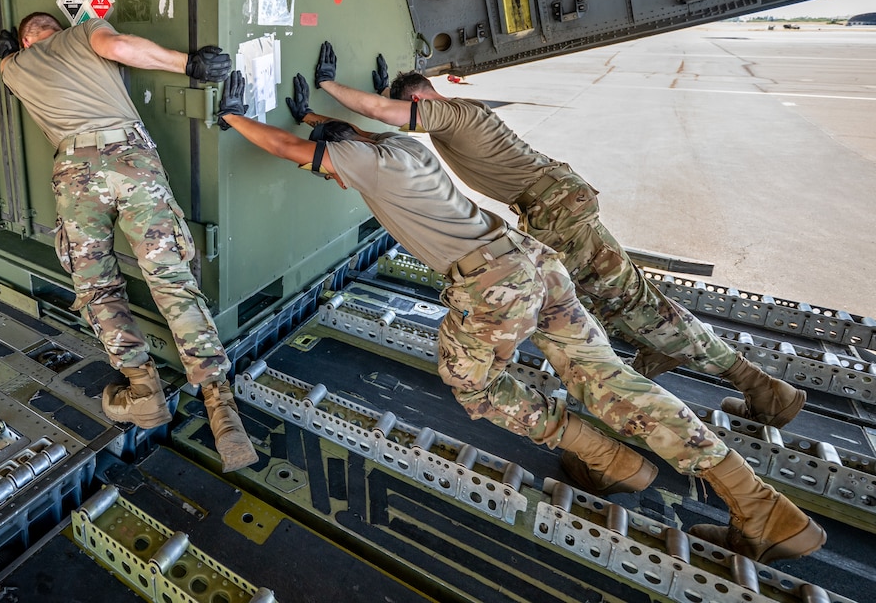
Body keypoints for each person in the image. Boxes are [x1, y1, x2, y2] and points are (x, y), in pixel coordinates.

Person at [216, 69, 825, 563]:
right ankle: (758, 504)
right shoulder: (399, 152)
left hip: (491, 283)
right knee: (607, 379)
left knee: (474, 385)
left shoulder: (374, 160)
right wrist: (319, 117)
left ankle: (606, 456)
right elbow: (349, 137)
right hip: (535, 262)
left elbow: (294, 151)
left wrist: (230, 117)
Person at [305, 43, 803, 429]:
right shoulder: (453, 120)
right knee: (612, 297)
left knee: (623, 302)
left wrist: (328, 84)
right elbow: (388, 125)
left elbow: (388, 116)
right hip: (553, 206)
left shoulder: (454, 113)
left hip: (555, 211)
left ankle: (757, 385)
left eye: (409, 107)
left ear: (419, 99)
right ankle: (661, 346)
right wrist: (345, 109)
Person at [0, 13, 257, 472]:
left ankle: (144, 393)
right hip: (130, 160)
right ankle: (222, 409)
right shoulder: (80, 34)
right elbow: (119, 48)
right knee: (171, 279)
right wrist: (189, 64)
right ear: (51, 31)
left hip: (75, 175)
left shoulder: (13, 68)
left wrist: (10, 54)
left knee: (95, 285)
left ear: (25, 39)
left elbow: (11, 62)